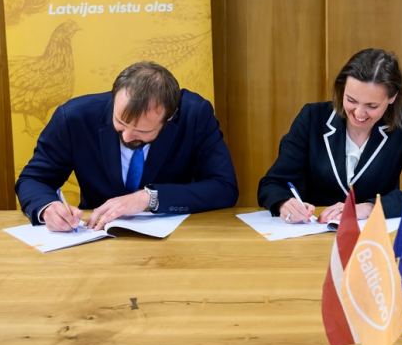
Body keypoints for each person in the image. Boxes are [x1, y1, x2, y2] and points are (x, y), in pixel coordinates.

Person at [15, 62, 238, 231]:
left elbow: (224, 187)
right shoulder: (75, 118)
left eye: (143, 131)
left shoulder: (195, 115)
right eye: (120, 123)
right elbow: (33, 179)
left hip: (176, 240)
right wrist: (47, 208)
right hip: (95, 239)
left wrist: (148, 198)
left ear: (170, 117)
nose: (129, 136)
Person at [257, 49, 402, 223]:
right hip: (315, 235)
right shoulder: (312, 117)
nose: (359, 113)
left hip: (374, 240)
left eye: (372, 106)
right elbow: (271, 184)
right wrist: (284, 203)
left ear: (392, 97)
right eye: (351, 100)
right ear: (342, 89)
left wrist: (370, 208)